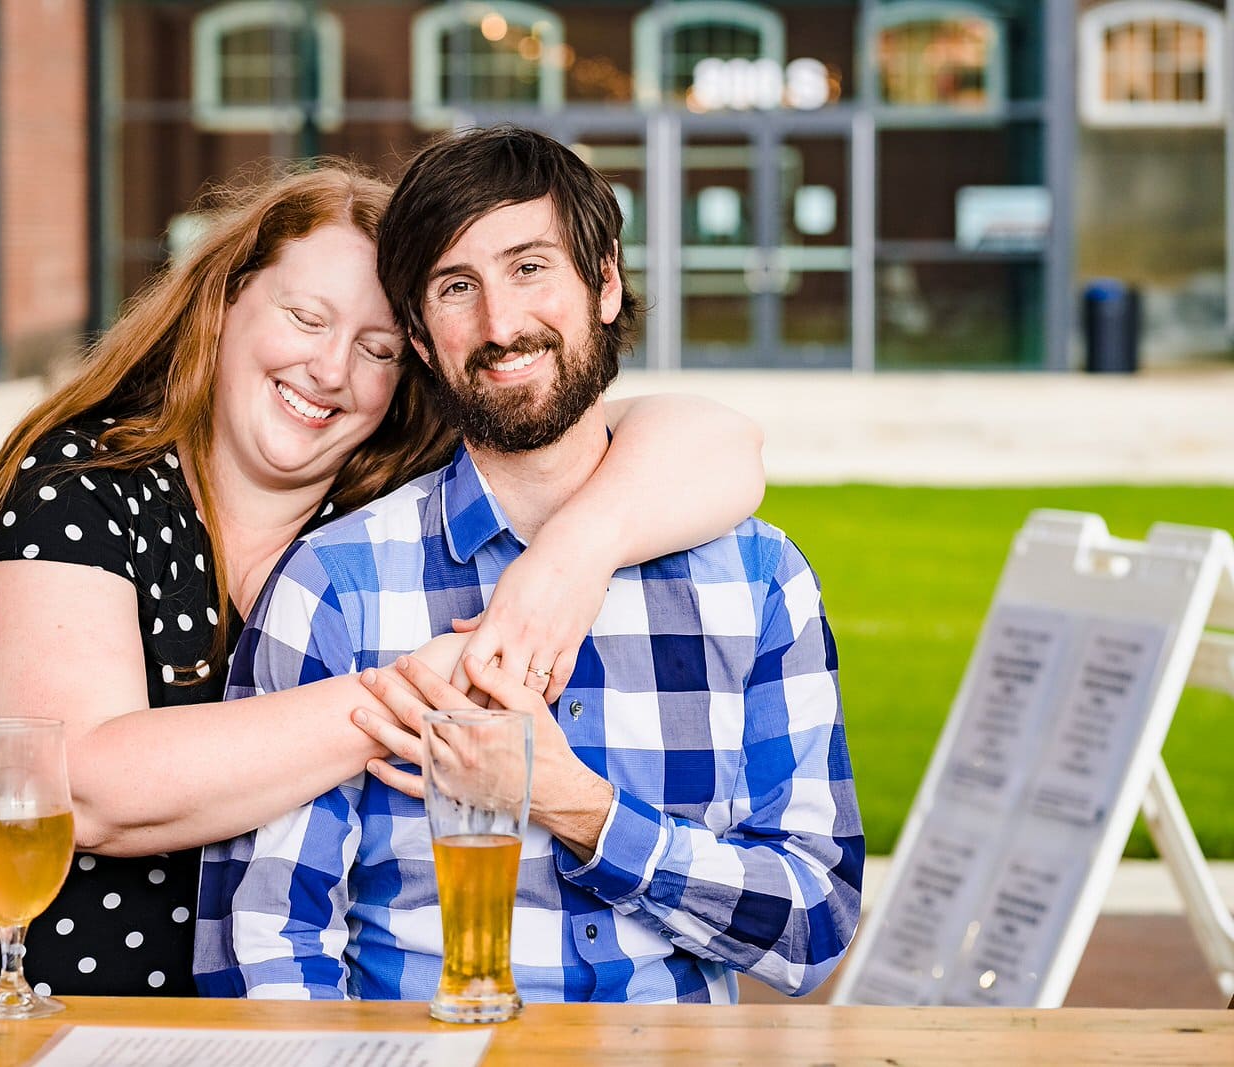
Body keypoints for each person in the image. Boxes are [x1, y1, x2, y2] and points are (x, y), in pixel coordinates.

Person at [0, 161, 768, 997]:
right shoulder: (80, 488)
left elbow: (719, 447)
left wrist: (571, 553)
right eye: (305, 318)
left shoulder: (367, 516)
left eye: (375, 348)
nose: (332, 371)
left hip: (199, 1022)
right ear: (225, 301)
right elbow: (86, 788)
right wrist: (411, 694)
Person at [196, 128, 863, 1005]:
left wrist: (581, 810)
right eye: (456, 287)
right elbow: (264, 949)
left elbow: (815, 921)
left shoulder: (758, 580)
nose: (501, 325)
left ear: (607, 284)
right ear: (423, 340)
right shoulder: (335, 587)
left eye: (529, 268)